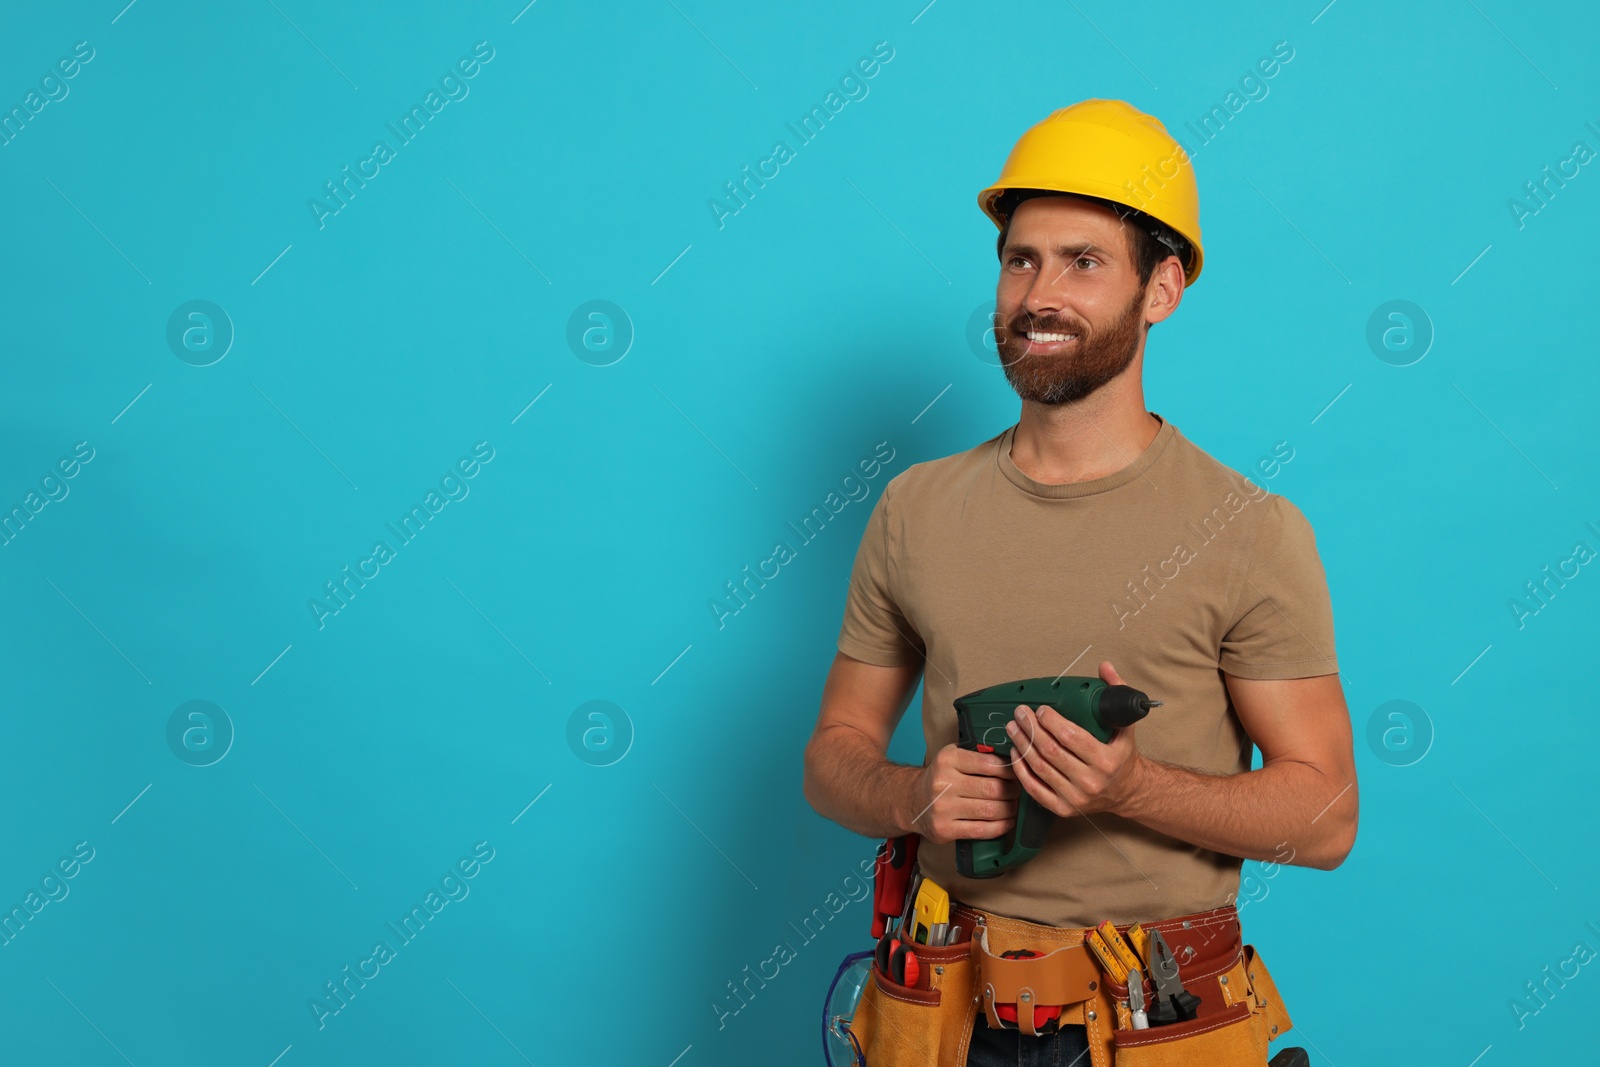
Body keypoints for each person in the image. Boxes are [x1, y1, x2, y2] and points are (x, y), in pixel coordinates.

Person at [803, 99, 1357, 1066]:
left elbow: (1325, 818)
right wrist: (909, 797)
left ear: (1163, 287)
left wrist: (1131, 786)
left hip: (1156, 1027)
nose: (1038, 293)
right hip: (943, 1017)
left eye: (1084, 261)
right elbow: (830, 757)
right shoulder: (914, 509)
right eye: (1022, 258)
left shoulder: (1250, 531)